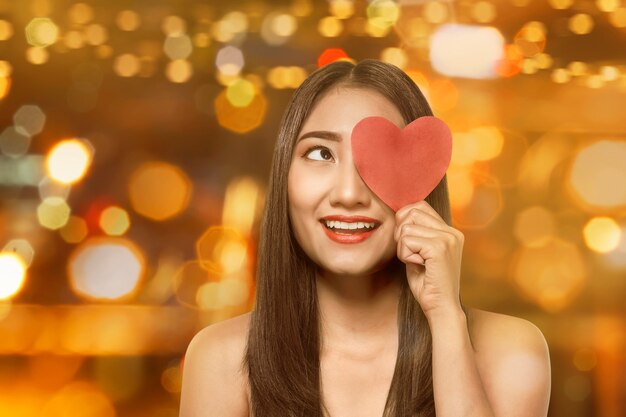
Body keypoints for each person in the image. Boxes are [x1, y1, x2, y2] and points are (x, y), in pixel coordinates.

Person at [179, 59, 551, 417]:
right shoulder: (222, 359)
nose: (348, 193)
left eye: (379, 158)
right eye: (321, 153)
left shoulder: (510, 351)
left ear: (424, 178)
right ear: (284, 177)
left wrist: (445, 317)